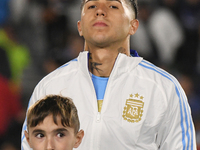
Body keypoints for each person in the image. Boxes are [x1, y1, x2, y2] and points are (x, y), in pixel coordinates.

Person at [22, 0, 197, 149]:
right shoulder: (49, 87)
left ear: (133, 25)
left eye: (113, 6)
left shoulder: (163, 88)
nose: (100, 11)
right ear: (80, 27)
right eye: (91, 6)